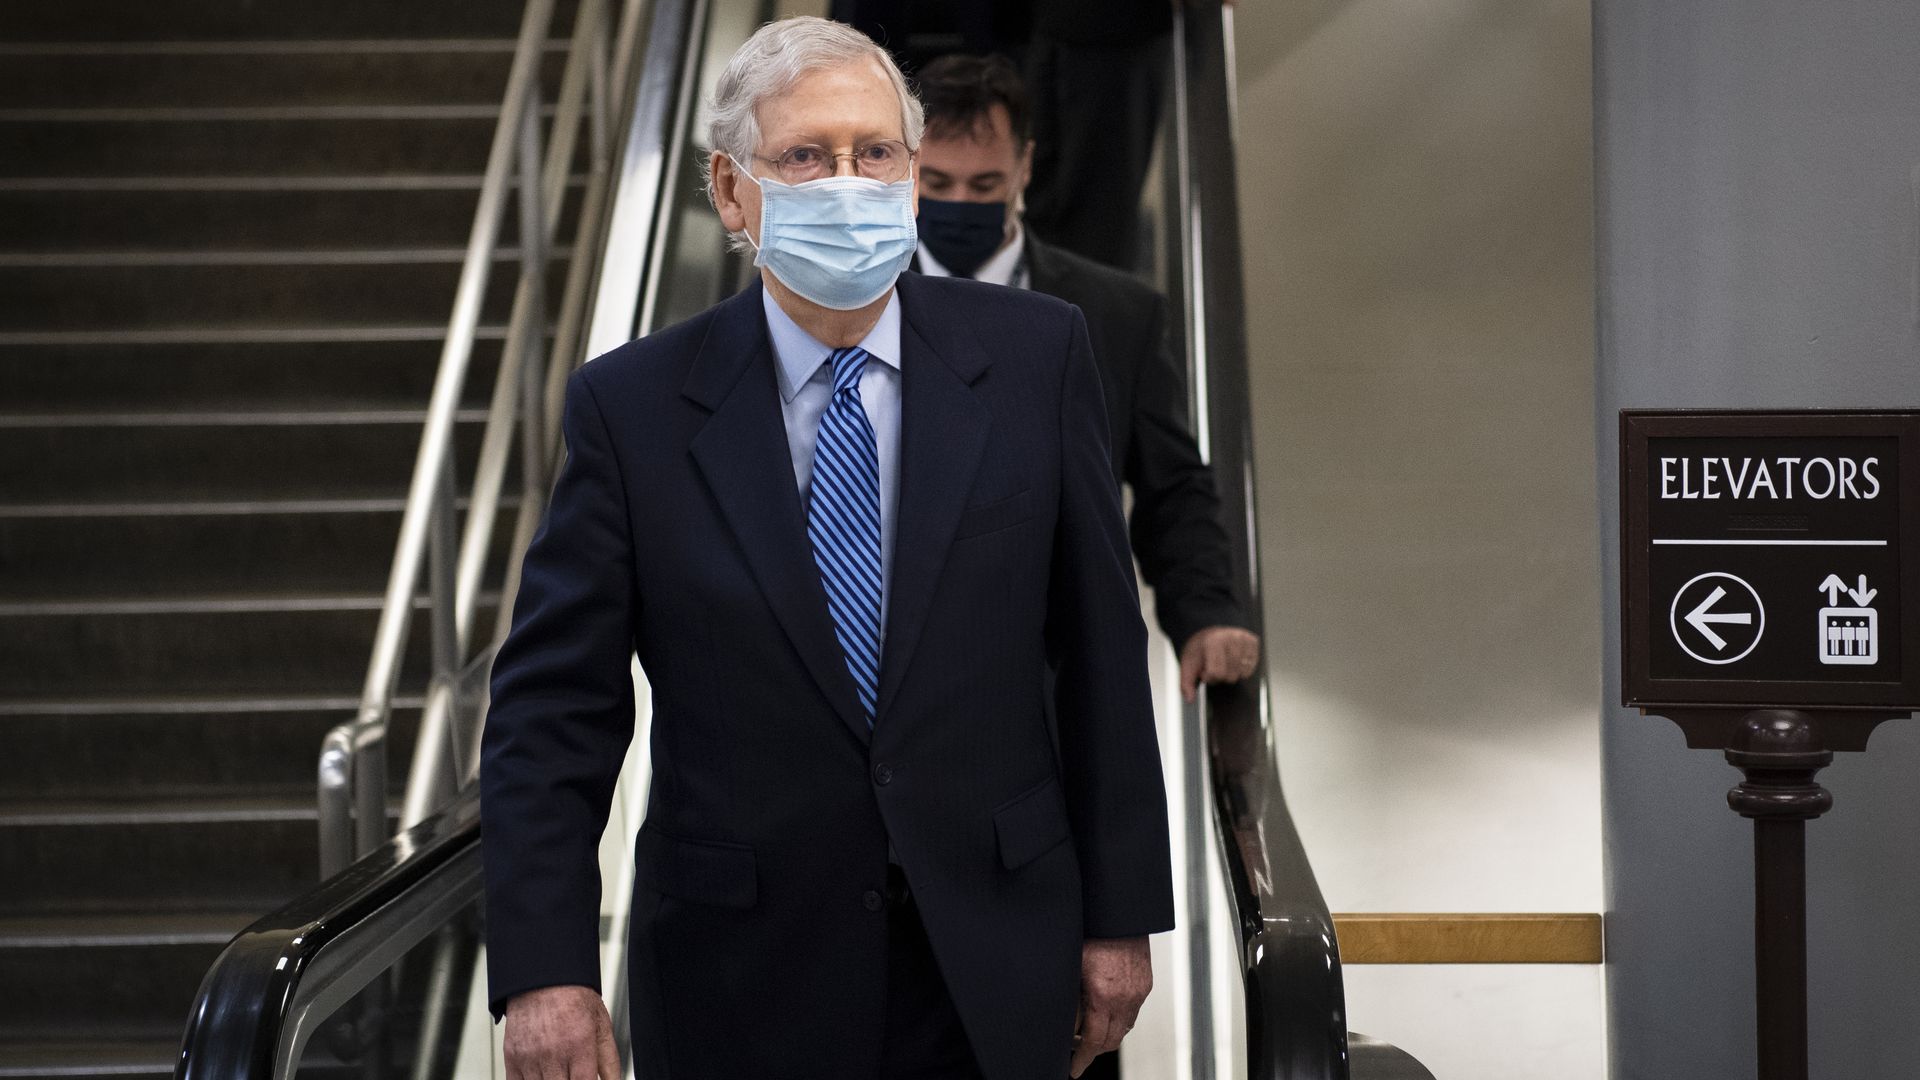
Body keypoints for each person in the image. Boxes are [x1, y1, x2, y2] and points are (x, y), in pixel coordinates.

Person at [480, 17, 1174, 1080]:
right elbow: (551, 713)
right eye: (805, 156)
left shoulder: (1036, 359)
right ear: (729, 191)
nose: (846, 183)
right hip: (739, 975)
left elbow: (1099, 651)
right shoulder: (632, 408)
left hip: (994, 952)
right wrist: (545, 968)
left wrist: (1122, 917)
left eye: (874, 153)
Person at [913, 53, 1261, 706]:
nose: (960, 203)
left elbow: (1172, 483)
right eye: (936, 181)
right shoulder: (846, 303)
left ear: (1025, 166)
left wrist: (1208, 611)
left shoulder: (1115, 314)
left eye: (984, 186)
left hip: (1046, 677)